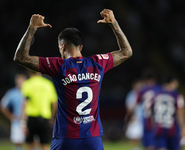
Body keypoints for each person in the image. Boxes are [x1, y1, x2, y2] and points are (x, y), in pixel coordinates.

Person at [13, 9, 132, 150]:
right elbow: (126, 52)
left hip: (66, 138)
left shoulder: (58, 66)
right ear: (81, 47)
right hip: (92, 139)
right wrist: (114, 23)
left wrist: (32, 27)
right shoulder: (98, 63)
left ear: (62, 46)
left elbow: (20, 57)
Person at [21, 70, 57, 150]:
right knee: (44, 145)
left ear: (29, 73)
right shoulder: (48, 84)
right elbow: (54, 103)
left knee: (29, 144)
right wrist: (52, 116)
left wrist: (23, 122)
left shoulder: (27, 84)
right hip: (44, 118)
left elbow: (25, 103)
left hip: (31, 118)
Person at [147, 75, 185, 150]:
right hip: (172, 128)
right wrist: (183, 127)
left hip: (159, 127)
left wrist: (152, 122)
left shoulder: (155, 94)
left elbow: (149, 109)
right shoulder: (176, 95)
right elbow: (180, 113)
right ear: (172, 83)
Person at [0, 73, 27, 150]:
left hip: (29, 121)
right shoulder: (11, 93)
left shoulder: (29, 91)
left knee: (33, 143)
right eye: (19, 80)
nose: (21, 82)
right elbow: (2, 106)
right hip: (17, 122)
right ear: (16, 81)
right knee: (18, 144)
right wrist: (10, 116)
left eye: (22, 80)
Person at [135, 69, 161, 150]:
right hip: (157, 118)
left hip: (146, 118)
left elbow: (137, 103)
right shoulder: (159, 89)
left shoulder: (142, 90)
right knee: (157, 142)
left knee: (148, 144)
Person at [125, 79, 144, 150]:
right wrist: (131, 116)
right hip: (135, 117)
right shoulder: (131, 94)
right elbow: (129, 107)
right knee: (134, 135)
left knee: (141, 136)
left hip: (143, 117)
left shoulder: (144, 94)